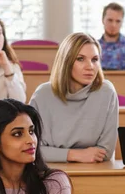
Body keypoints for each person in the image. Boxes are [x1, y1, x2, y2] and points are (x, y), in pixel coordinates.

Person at [30, 33, 118, 163]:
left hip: (94, 171)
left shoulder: (107, 92)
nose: (90, 67)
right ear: (66, 61)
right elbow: (32, 150)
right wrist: (74, 154)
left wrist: (55, 153)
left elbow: (106, 151)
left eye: (94, 59)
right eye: (80, 59)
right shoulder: (42, 95)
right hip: (48, 170)